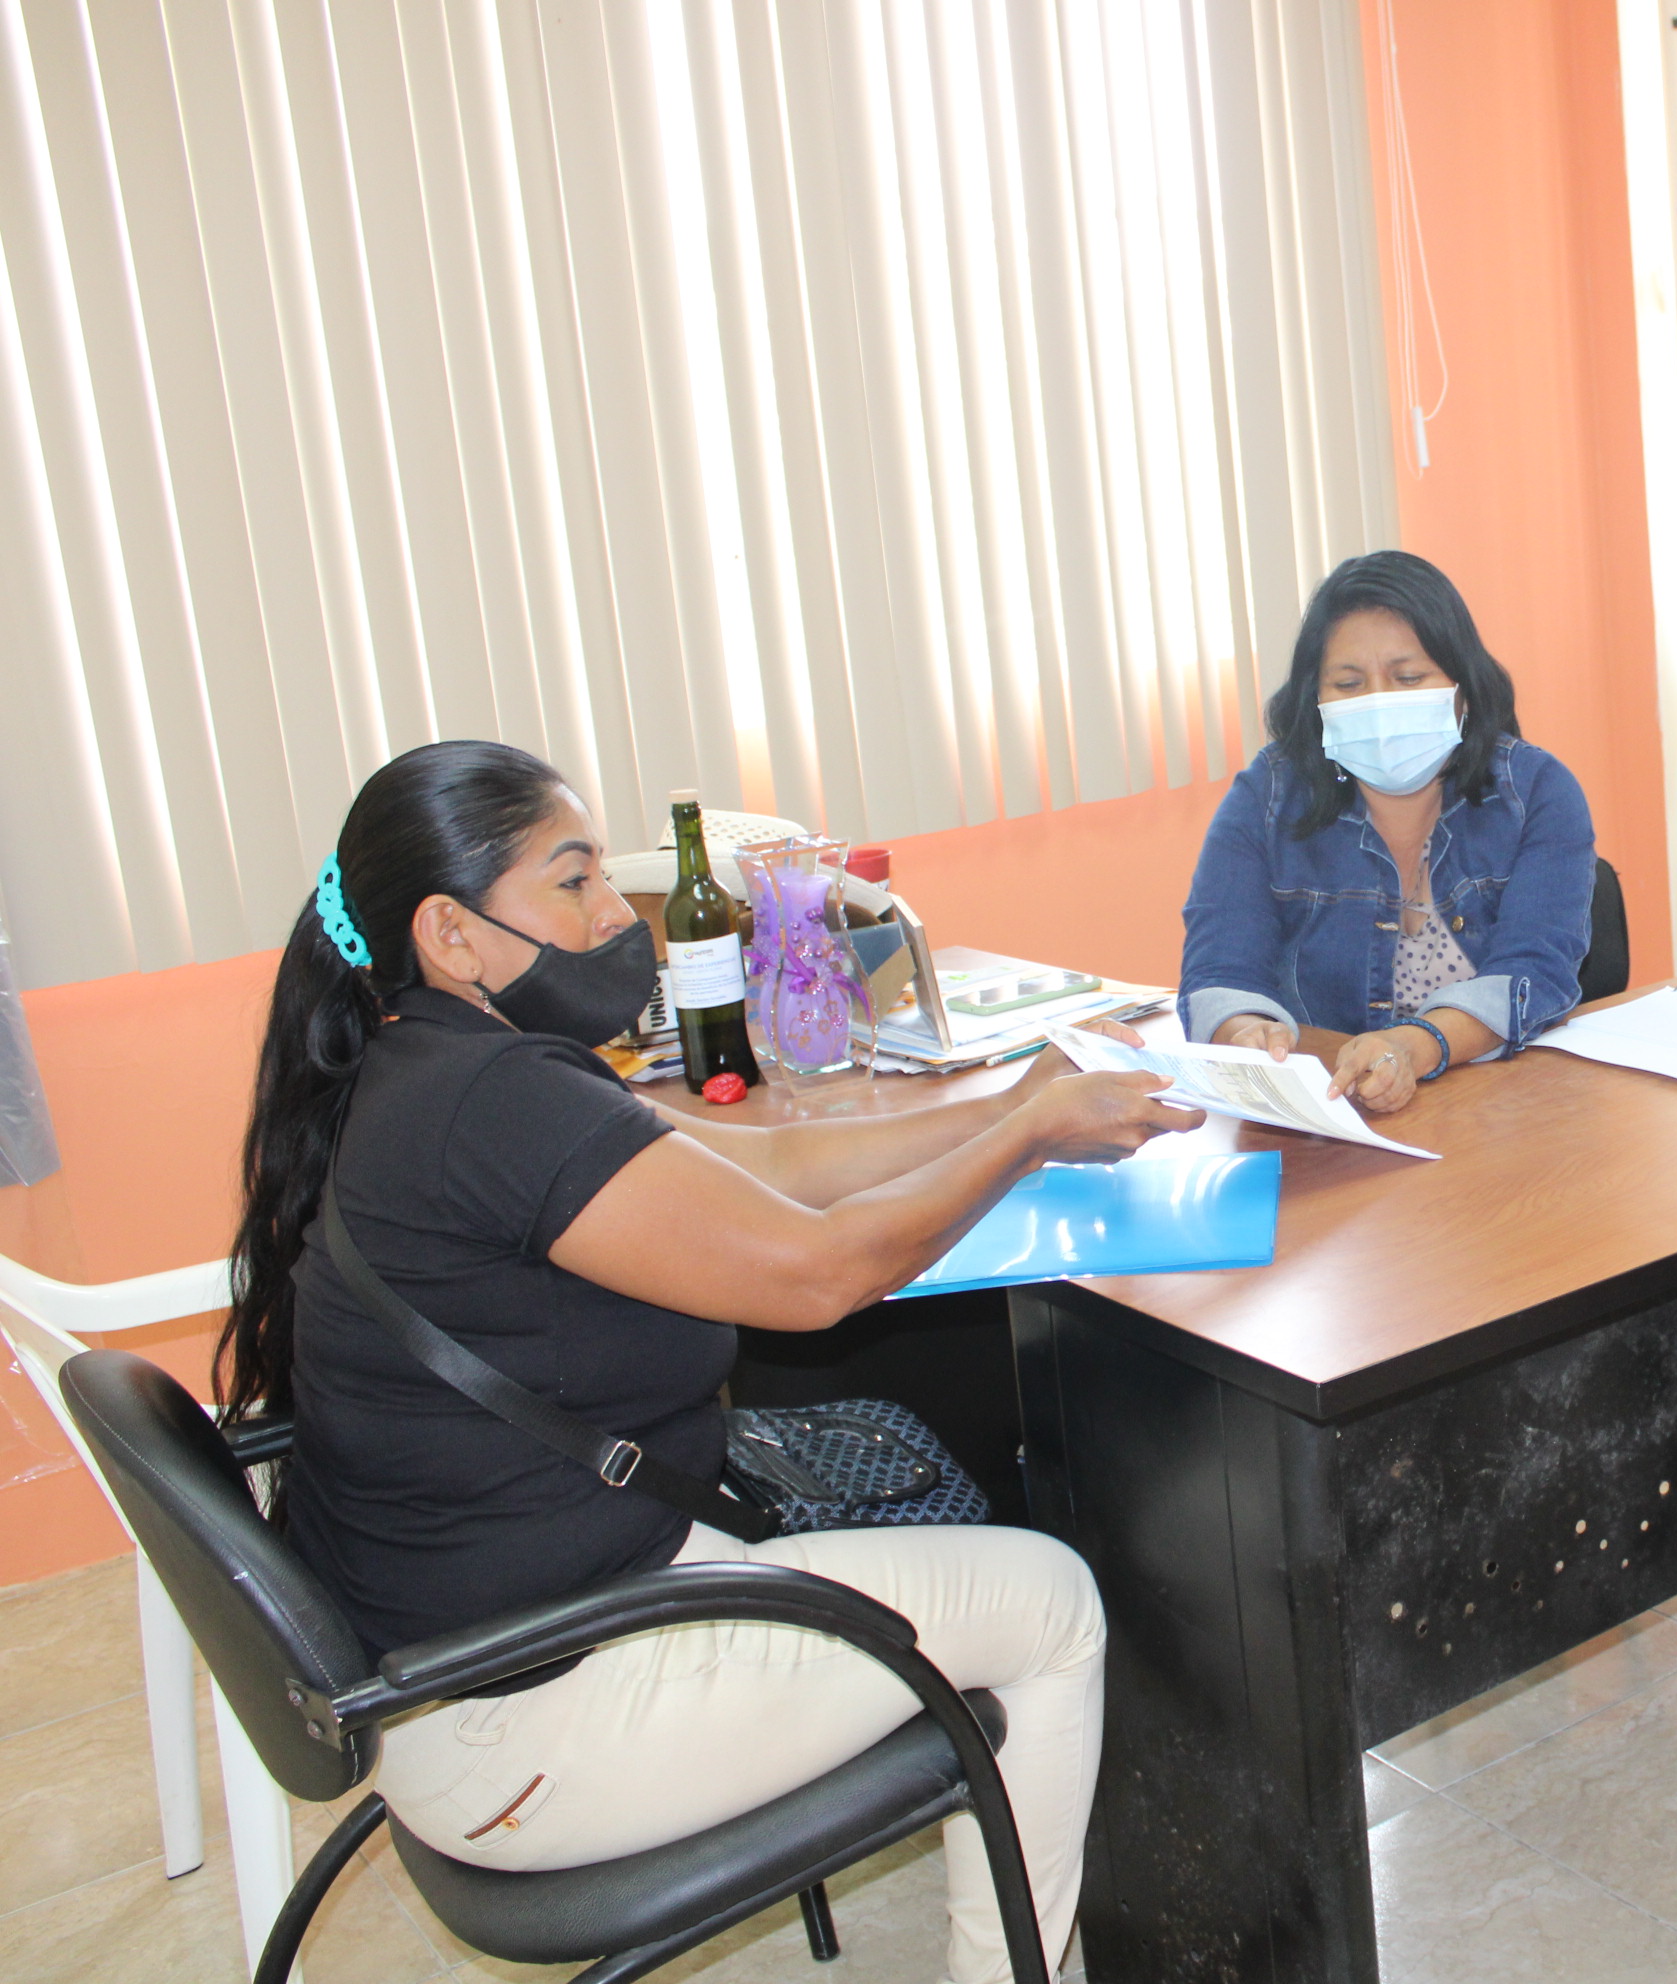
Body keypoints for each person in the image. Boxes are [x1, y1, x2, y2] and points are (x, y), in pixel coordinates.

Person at [218, 740, 1199, 1984]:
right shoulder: (493, 1100)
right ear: (450, 932)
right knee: (1051, 1603)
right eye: (573, 880)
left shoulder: (433, 1062)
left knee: (936, 1543)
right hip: (532, 1717)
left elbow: (772, 1171)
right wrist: (1027, 1139)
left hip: (483, 1657)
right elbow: (817, 1274)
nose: (610, 914)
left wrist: (1016, 1105)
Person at [1178, 550, 1598, 1111]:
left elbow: (1534, 973)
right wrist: (1245, 1030)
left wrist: (1413, 1046)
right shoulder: (1267, 796)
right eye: (1349, 683)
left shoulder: (1536, 791)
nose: (1379, 701)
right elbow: (1219, 969)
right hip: (1326, 1111)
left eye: (1408, 678)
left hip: (1498, 1109)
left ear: (1463, 687)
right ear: (1316, 698)